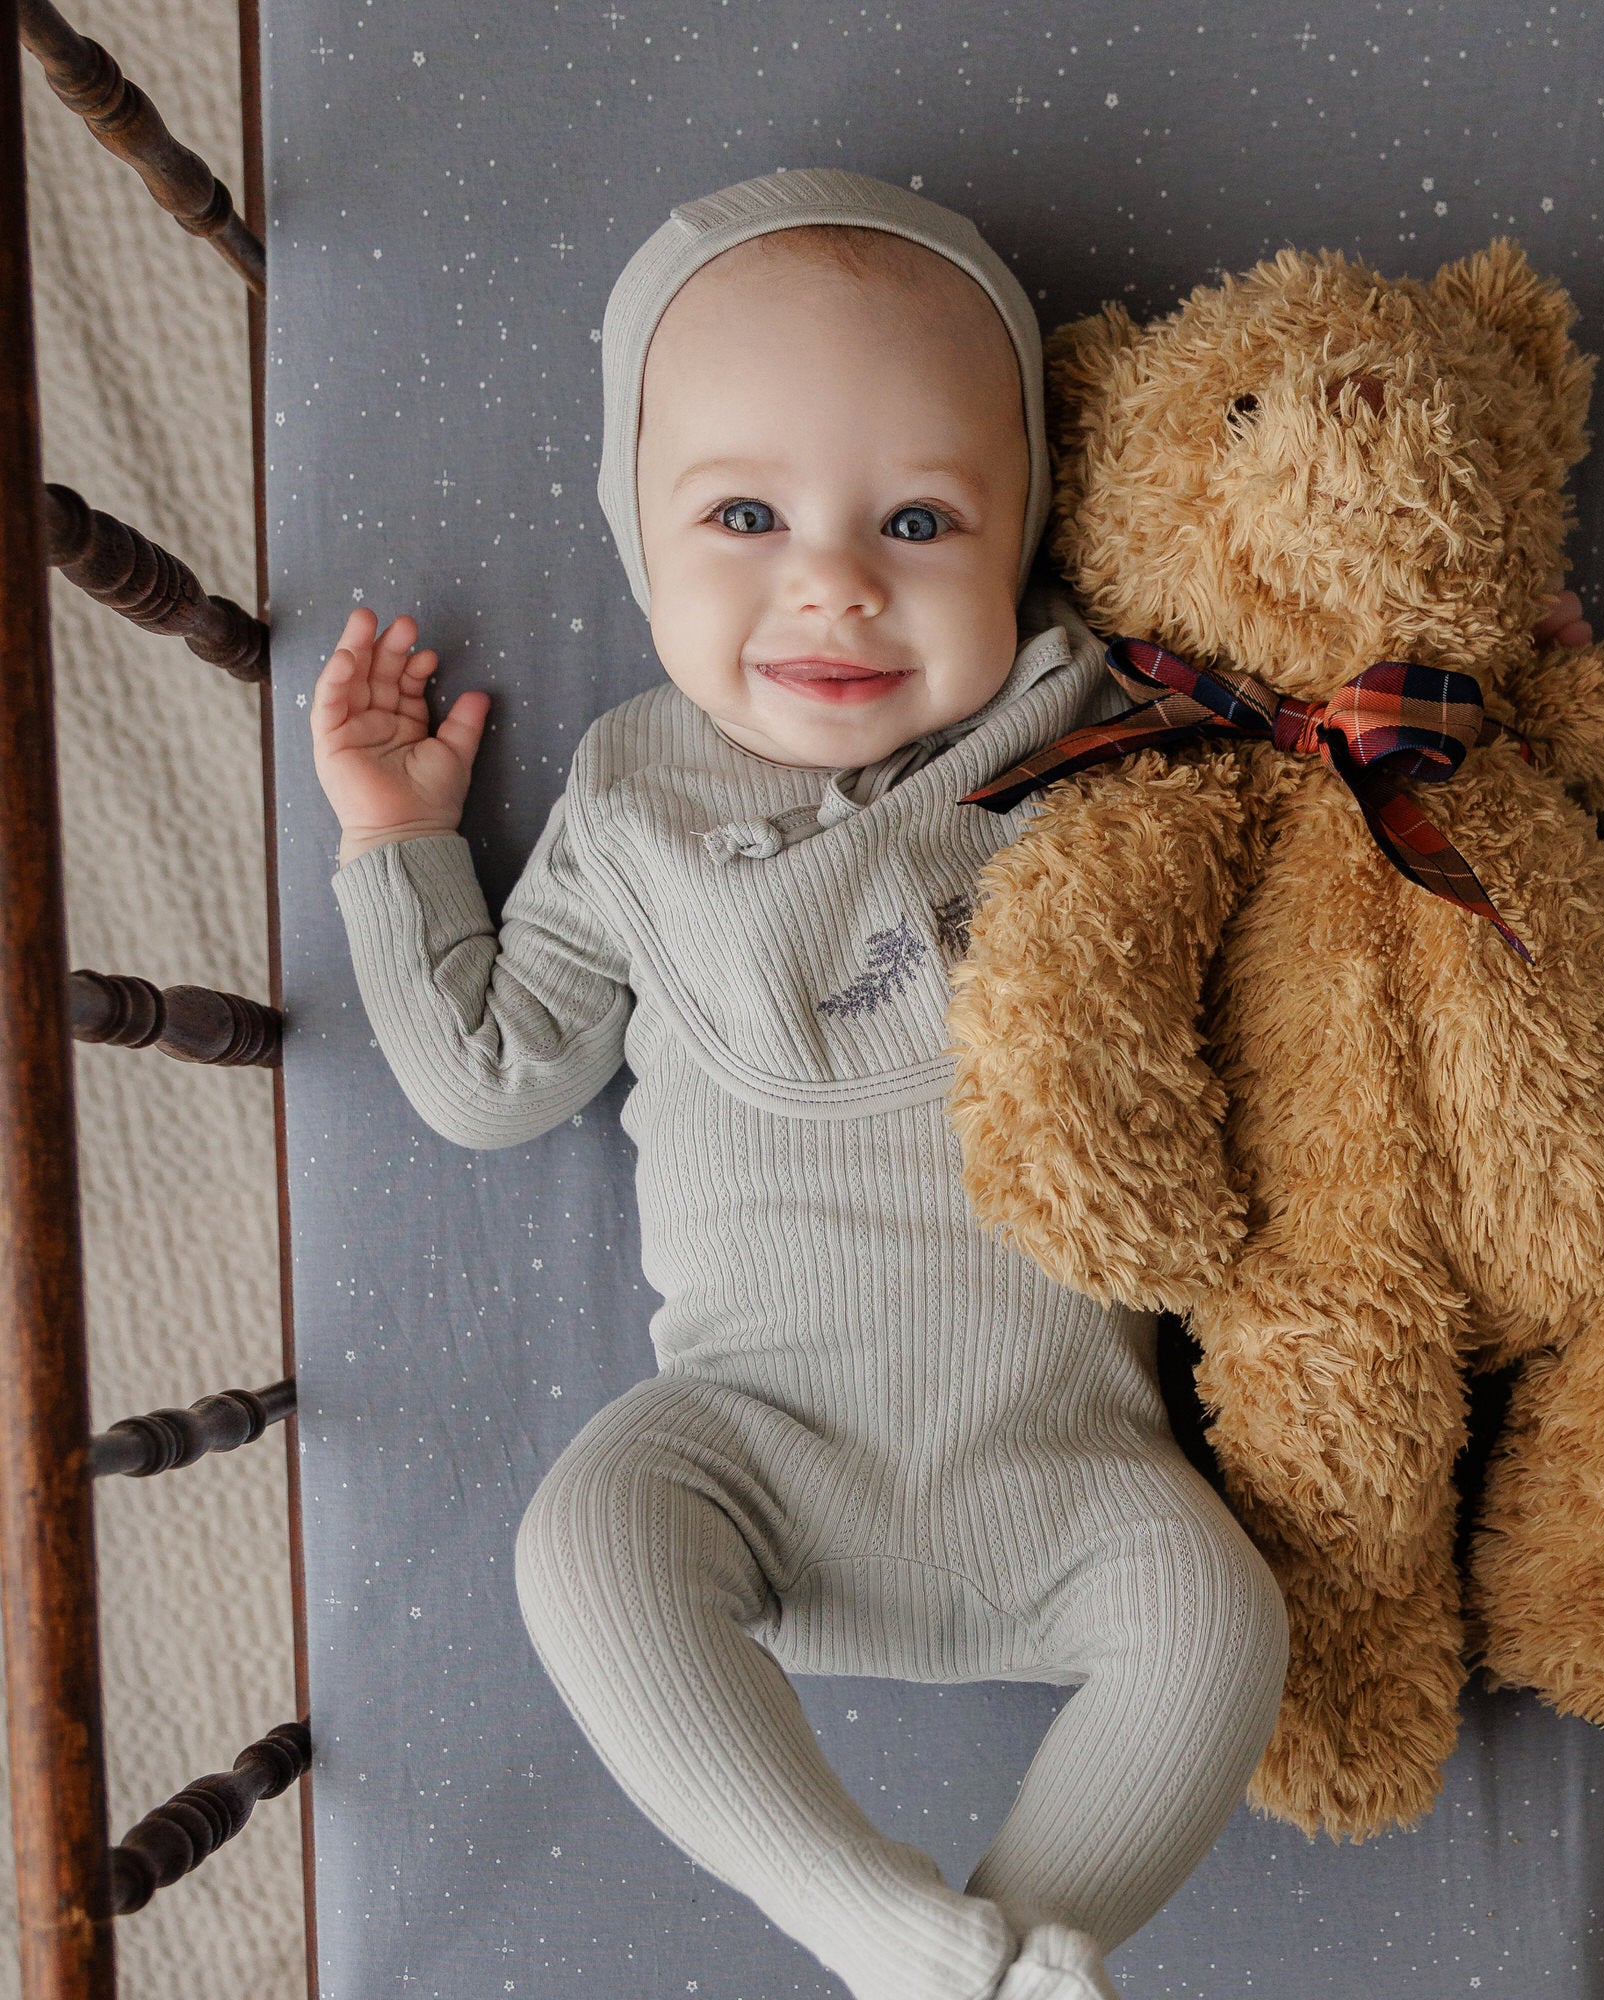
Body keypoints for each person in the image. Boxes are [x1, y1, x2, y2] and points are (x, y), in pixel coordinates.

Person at [310, 169, 1294, 2000]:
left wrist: (1474, 689)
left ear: (1025, 540)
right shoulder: (630, 800)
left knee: (1223, 1626)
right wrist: (399, 842)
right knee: (583, 1544)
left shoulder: (1099, 725)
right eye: (745, 515)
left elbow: (1316, 799)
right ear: (636, 541)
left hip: (1074, 1462)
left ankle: (1017, 1941)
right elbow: (492, 1078)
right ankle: (872, 1925)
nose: (834, 580)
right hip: (756, 1444)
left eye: (919, 519)